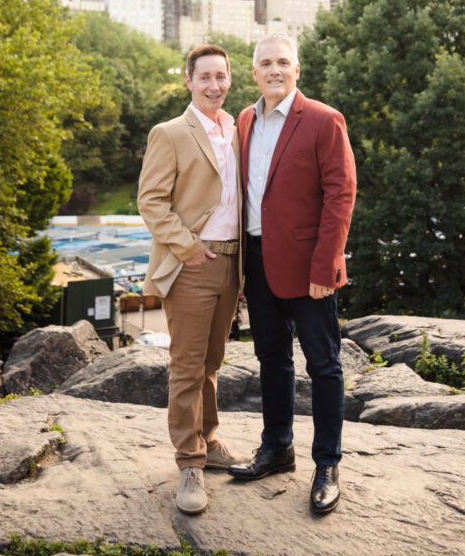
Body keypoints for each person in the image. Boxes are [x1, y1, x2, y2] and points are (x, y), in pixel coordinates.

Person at [228, 32, 356, 515]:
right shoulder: (244, 120)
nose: (275, 70)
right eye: (266, 63)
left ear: (296, 69)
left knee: (323, 366)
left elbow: (340, 194)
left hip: (310, 268)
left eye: (283, 62)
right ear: (254, 71)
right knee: (271, 358)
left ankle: (327, 464)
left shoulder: (324, 120)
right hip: (258, 261)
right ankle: (277, 448)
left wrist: (326, 265)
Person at [138, 44, 243, 516]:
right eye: (205, 77)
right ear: (188, 81)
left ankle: (210, 440)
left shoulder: (238, 130)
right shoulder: (170, 132)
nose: (214, 85)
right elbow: (151, 202)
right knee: (186, 365)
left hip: (233, 265)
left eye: (221, 77)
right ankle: (189, 463)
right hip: (192, 265)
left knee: (212, 362)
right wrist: (188, 247)